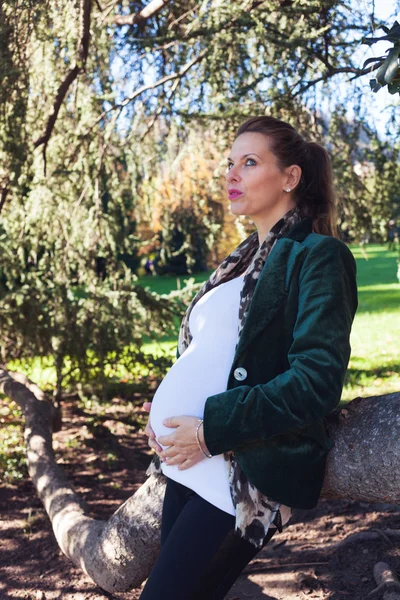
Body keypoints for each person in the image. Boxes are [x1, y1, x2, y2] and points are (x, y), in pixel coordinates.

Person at [140, 115, 358, 600]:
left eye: (250, 162)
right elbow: (210, 356)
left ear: (290, 177)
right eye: (230, 163)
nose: (231, 175)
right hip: (186, 465)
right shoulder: (239, 261)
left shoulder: (317, 255)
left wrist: (208, 430)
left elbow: (316, 381)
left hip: (240, 475)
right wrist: (168, 415)